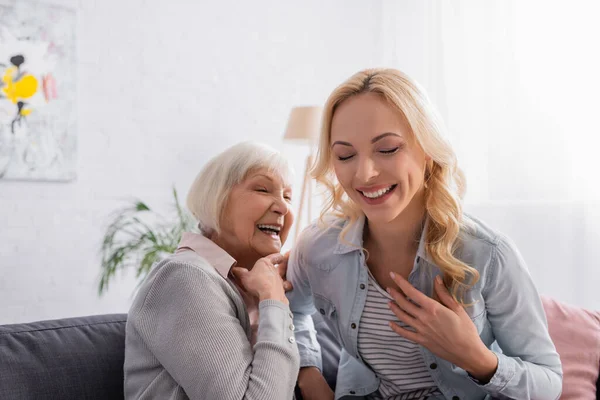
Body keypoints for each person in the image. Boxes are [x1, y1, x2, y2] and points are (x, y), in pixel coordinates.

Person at [287, 68, 562, 400]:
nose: (365, 174)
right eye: (345, 155)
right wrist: (309, 374)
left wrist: (476, 358)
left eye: (387, 149)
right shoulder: (318, 248)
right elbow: (291, 311)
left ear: (428, 150)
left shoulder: (487, 253)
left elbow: (549, 381)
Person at [124, 141, 300, 400]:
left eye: (287, 196)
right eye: (263, 189)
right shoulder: (185, 277)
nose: (283, 207)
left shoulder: (255, 283)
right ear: (217, 199)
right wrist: (275, 302)